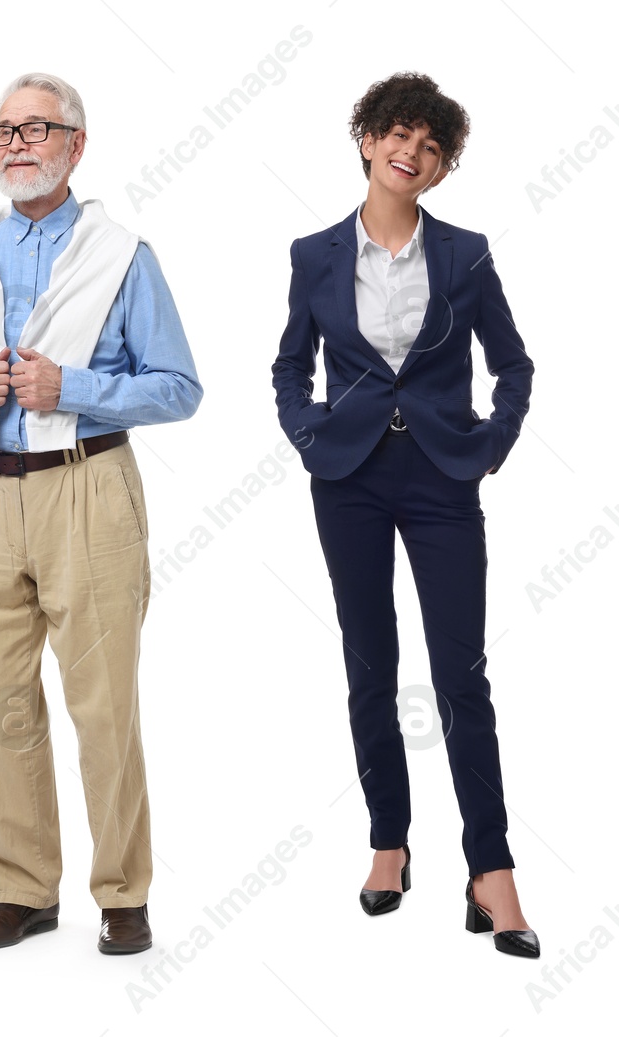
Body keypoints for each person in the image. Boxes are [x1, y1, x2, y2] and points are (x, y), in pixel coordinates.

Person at [0, 72, 201, 955]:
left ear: (77, 145)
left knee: (103, 703)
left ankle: (123, 892)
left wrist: (69, 386)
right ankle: (24, 888)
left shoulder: (123, 256)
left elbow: (179, 386)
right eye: (3, 131)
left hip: (87, 487)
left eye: (38, 129)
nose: (18, 144)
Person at [271, 72, 537, 957]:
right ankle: (390, 842)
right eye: (399, 135)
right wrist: (308, 434)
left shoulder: (465, 254)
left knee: (462, 674)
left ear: (441, 167)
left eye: (431, 147)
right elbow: (287, 367)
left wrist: (489, 442)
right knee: (369, 664)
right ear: (368, 141)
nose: (411, 153)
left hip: (439, 477)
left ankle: (490, 868)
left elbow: (515, 364)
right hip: (347, 476)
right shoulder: (315, 253)